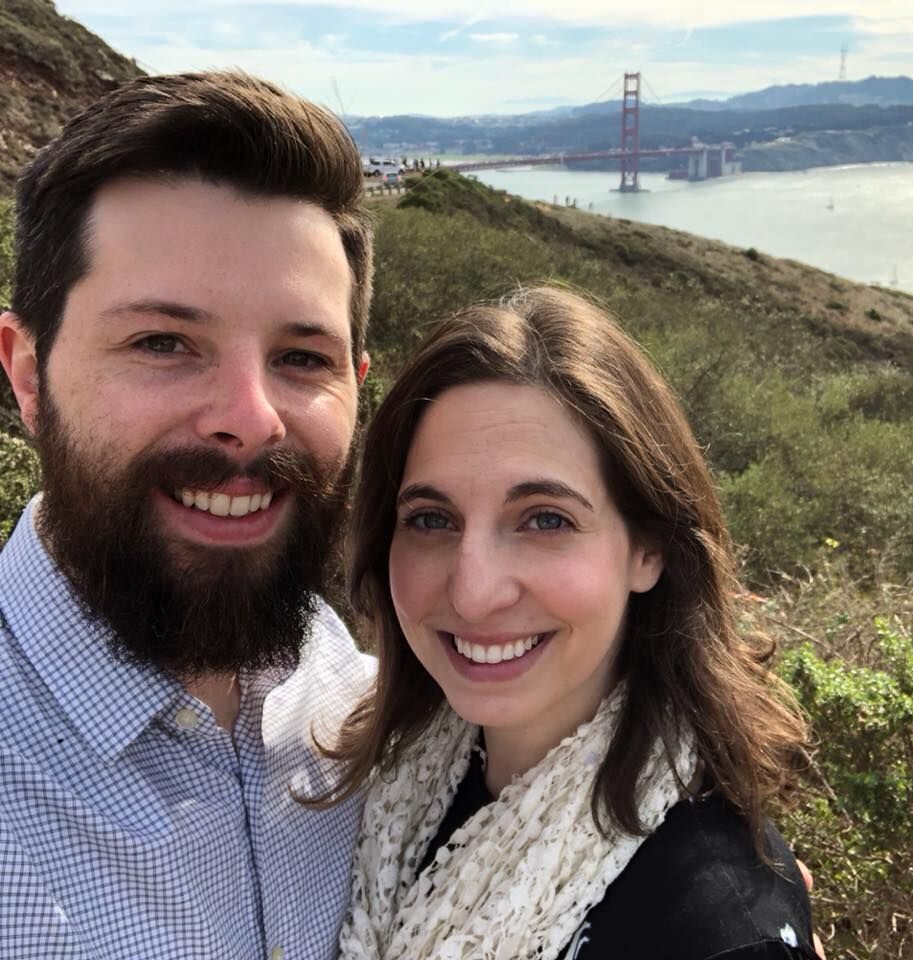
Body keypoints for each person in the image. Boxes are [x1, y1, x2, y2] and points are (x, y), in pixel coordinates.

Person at [0, 71, 374, 959]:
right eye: (163, 343)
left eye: (300, 356)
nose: (249, 416)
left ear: (357, 390)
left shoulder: (374, 709)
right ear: (26, 373)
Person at [329, 286, 821, 959]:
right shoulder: (390, 785)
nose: (473, 593)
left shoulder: (716, 931)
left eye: (545, 520)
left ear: (648, 548)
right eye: (431, 520)